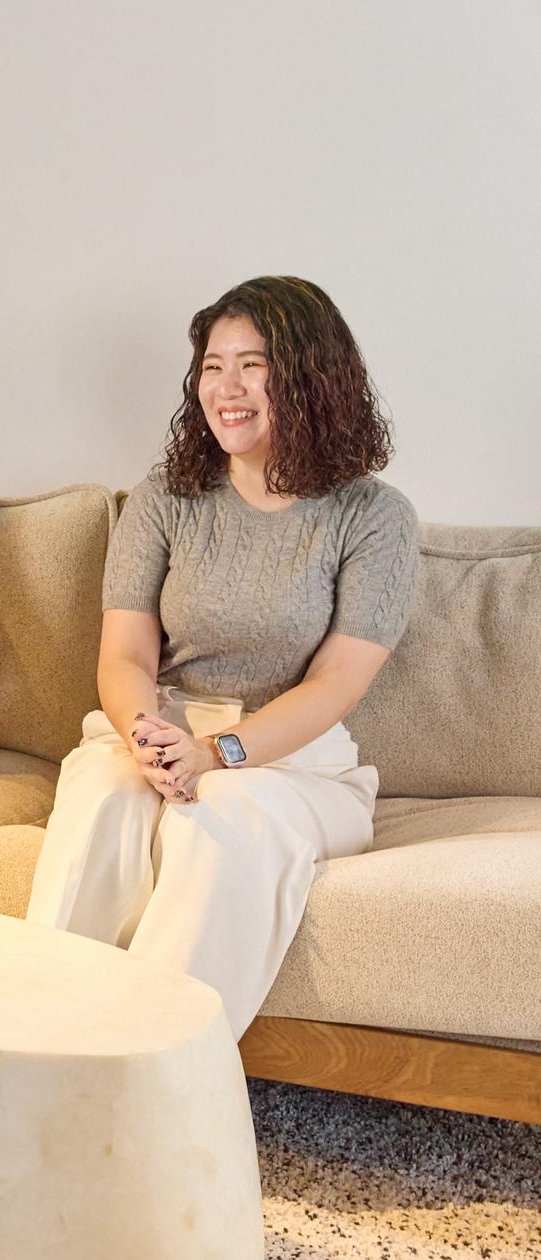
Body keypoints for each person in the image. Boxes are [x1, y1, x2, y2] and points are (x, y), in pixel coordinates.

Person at [26, 275, 419, 1039]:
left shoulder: (374, 516)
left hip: (295, 764)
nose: (225, 388)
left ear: (311, 377)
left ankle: (153, 1064)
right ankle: (40, 1042)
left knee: (223, 811)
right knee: (105, 792)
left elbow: (337, 683)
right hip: (161, 732)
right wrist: (147, 739)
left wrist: (216, 754)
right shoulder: (166, 499)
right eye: (212, 366)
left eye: (252, 365)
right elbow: (125, 655)